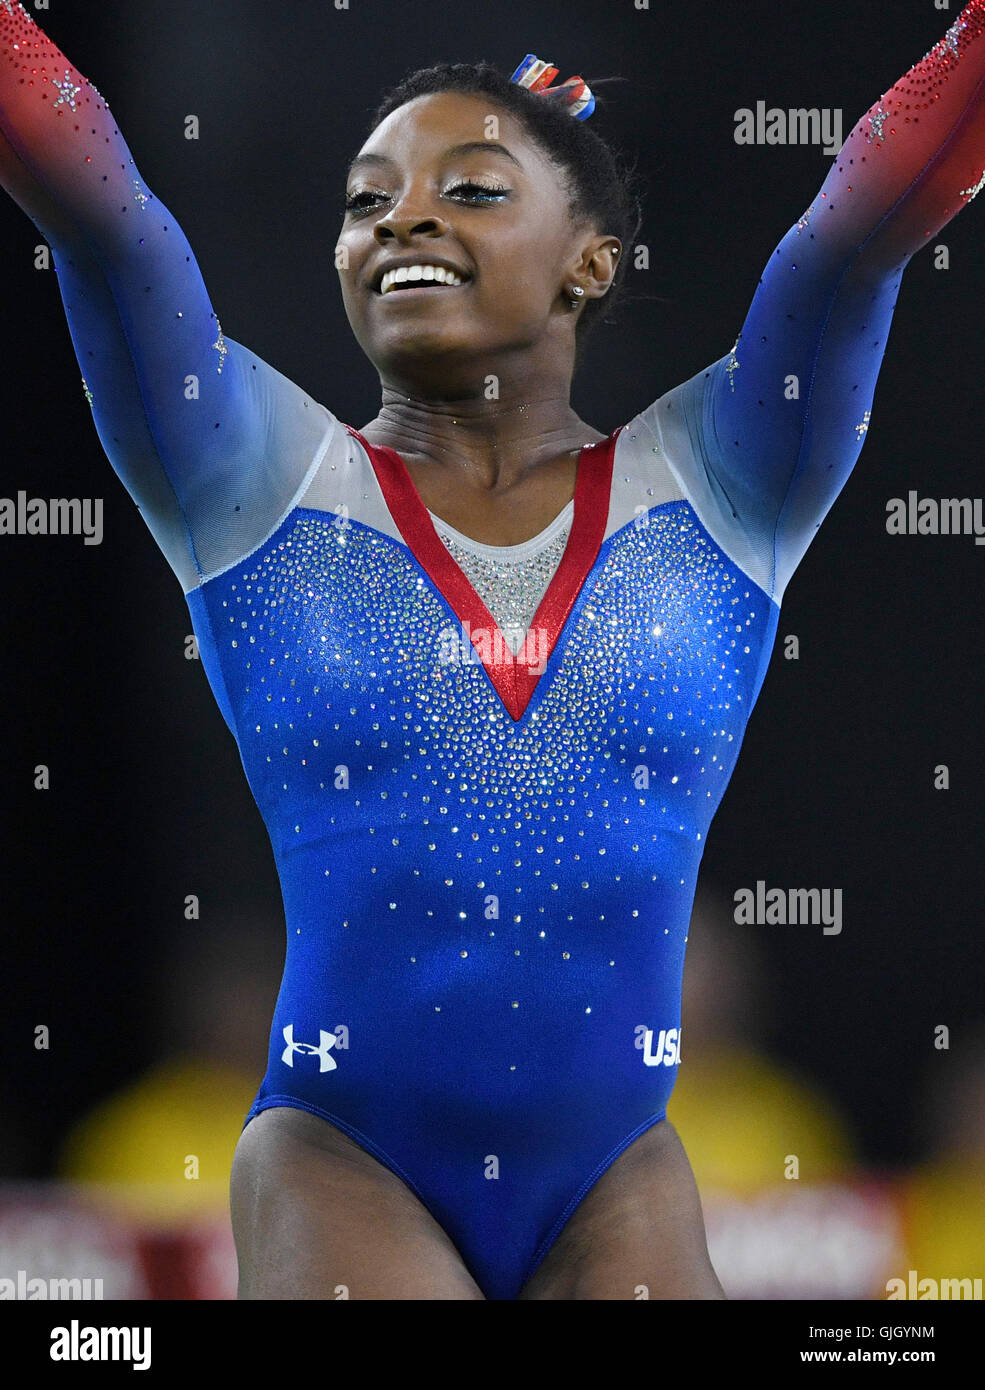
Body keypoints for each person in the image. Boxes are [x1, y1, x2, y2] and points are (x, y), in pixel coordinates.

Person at [3, 1, 985, 1300]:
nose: (401, 219)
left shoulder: (724, 483)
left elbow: (855, 236)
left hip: (614, 1169)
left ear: (589, 259)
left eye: (468, 188)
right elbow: (103, 210)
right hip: (344, 1153)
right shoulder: (246, 475)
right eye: (367, 202)